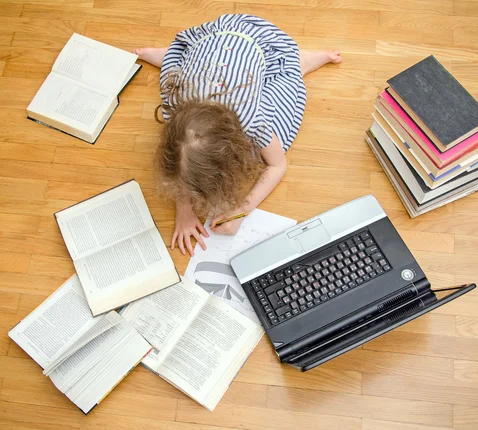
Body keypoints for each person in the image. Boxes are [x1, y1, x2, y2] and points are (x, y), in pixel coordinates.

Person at [133, 14, 341, 256]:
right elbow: (182, 170)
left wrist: (241, 211)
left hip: (260, 45)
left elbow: (277, 166)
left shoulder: (252, 118)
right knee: (173, 70)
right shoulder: (174, 104)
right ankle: (166, 55)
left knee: (287, 90)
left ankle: (304, 60)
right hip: (209, 42)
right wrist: (184, 211)